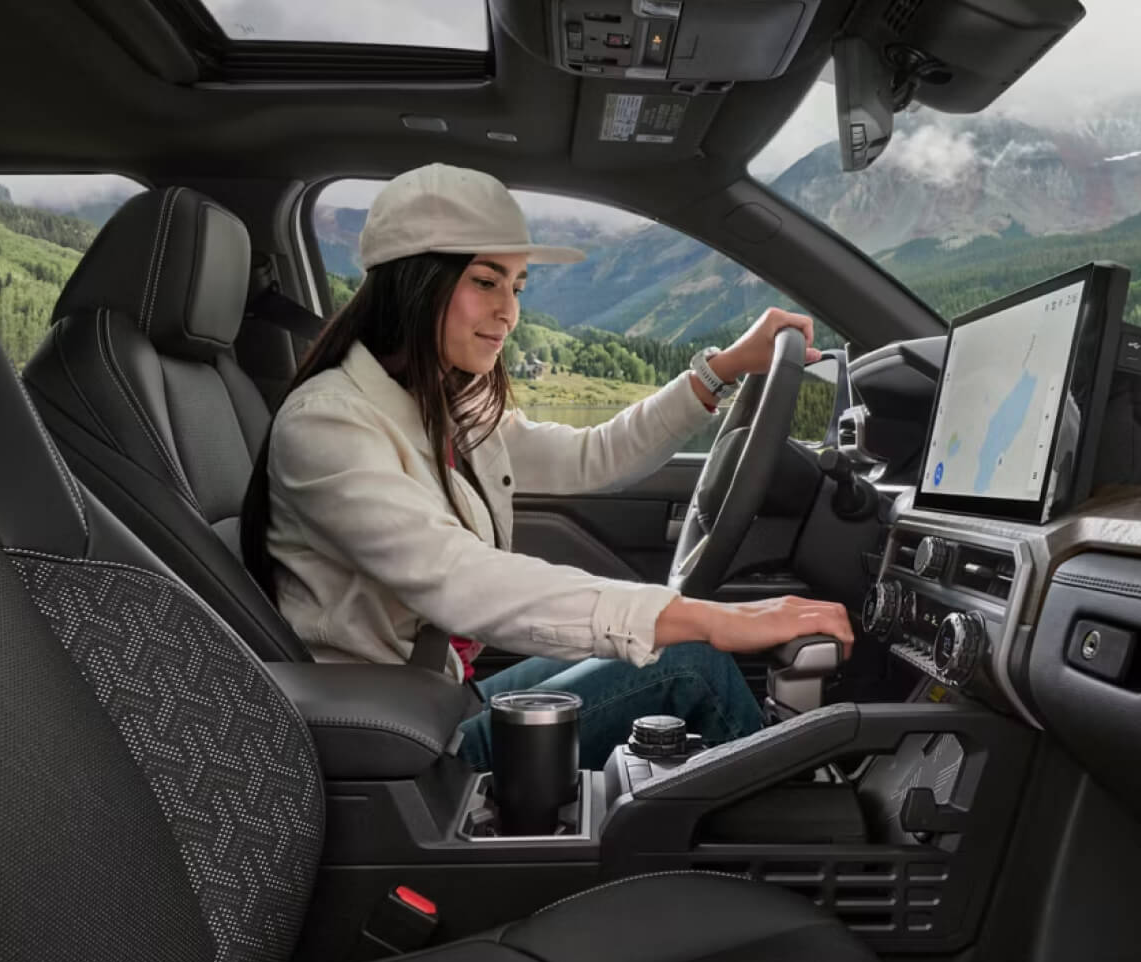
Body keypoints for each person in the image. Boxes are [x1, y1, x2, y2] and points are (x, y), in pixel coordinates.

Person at [241, 162, 853, 770]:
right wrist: (711, 619)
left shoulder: (443, 409)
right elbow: (461, 579)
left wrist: (720, 370)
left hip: (440, 697)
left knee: (678, 646)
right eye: (486, 281)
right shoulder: (329, 424)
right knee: (691, 660)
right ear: (413, 282)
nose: (509, 312)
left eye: (517, 286)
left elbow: (595, 456)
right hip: (396, 744)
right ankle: (788, 827)